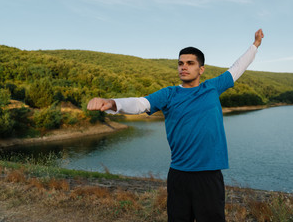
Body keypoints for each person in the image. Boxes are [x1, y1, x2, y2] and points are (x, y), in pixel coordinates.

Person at [87, 29, 264, 222]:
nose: (183, 67)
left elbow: (238, 67)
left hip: (209, 174)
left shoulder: (212, 88)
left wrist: (255, 45)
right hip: (179, 174)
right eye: (180, 63)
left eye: (190, 63)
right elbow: (140, 104)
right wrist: (113, 103)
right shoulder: (169, 94)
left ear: (201, 69)